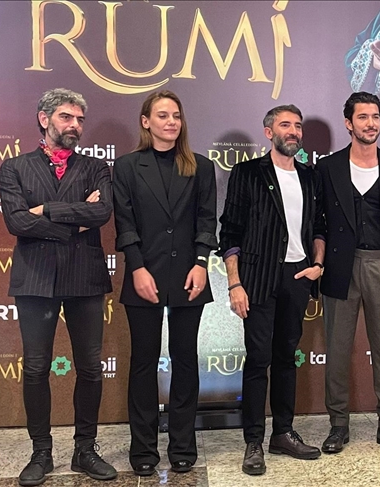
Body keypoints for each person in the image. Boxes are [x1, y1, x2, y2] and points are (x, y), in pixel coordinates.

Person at [0, 88, 117, 486]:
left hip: (85, 276)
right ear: (44, 118)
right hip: (35, 277)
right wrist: (74, 224)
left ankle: (85, 450)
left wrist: (47, 209)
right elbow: (17, 222)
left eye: (80, 119)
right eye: (67, 117)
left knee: (90, 367)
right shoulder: (14, 167)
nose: (75, 125)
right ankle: (41, 453)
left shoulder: (96, 168)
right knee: (35, 367)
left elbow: (101, 212)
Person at [112, 90, 218, 476]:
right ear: (146, 122)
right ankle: (143, 449)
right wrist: (137, 268)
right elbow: (125, 223)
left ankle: (183, 446)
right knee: (143, 362)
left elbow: (207, 220)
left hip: (190, 275)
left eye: (176, 115)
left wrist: (202, 263)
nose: (171, 121)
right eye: (162, 115)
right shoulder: (126, 166)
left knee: (185, 360)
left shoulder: (200, 166)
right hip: (144, 274)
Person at [218, 105, 327, 475]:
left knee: (286, 358)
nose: (293, 131)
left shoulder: (311, 176)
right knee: (258, 360)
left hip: (298, 278)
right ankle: (253, 442)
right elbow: (230, 231)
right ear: (269, 132)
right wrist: (235, 283)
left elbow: (319, 227)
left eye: (298, 125)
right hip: (258, 278)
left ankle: (283, 433)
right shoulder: (248, 173)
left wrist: (318, 264)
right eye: (285, 125)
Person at [317, 92, 380, 454]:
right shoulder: (328, 167)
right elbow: (317, 221)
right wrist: (320, 260)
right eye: (363, 117)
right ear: (348, 123)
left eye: (375, 116)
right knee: (337, 351)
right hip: (339, 267)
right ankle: (337, 425)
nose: (371, 123)